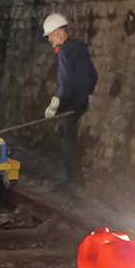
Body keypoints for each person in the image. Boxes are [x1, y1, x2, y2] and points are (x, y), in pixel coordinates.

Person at [42, 13, 98, 193]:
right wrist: (88, 95)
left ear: (59, 32)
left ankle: (73, 184)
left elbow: (65, 83)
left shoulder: (65, 51)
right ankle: (76, 182)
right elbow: (93, 74)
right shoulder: (79, 47)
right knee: (70, 141)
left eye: (50, 35)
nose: (49, 39)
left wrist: (54, 104)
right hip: (80, 102)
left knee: (66, 143)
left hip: (69, 104)